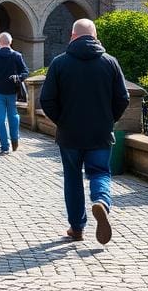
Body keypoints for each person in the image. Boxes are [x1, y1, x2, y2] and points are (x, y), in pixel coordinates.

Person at [40, 18, 129, 244]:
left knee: (72, 178)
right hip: (100, 133)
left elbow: (47, 100)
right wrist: (109, 119)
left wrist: (62, 121)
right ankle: (101, 202)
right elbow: (123, 98)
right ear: (95, 36)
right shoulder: (110, 62)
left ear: (72, 36)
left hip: (70, 134)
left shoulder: (59, 63)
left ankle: (77, 227)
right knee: (100, 172)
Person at [0, 31, 29, 153]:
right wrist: (18, 77)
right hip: (12, 91)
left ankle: (4, 146)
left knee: (0, 118)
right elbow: (25, 72)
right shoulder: (17, 56)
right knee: (13, 115)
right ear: (11, 42)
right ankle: (14, 139)